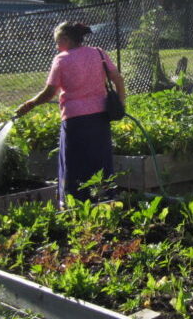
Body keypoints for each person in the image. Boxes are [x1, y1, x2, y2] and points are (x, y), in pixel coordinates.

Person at [15, 21, 126, 206]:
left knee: (75, 163)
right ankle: (105, 199)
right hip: (100, 116)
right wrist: (121, 102)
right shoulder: (98, 53)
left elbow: (50, 92)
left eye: (57, 41)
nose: (56, 46)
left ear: (66, 39)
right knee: (100, 159)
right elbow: (118, 78)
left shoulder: (62, 59)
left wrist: (31, 103)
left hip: (75, 120)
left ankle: (75, 204)